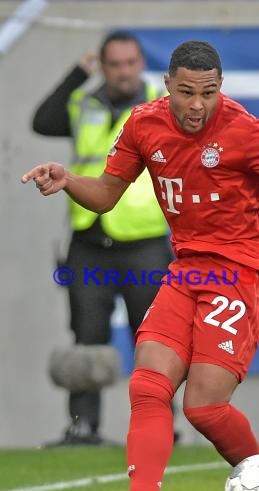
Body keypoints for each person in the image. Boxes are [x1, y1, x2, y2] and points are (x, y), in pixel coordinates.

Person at [22, 40, 259, 491]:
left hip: (246, 271)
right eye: (186, 92)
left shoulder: (243, 129)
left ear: (220, 88)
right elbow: (105, 195)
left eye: (208, 92)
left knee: (204, 407)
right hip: (187, 269)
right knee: (147, 385)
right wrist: (68, 179)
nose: (197, 105)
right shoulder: (145, 123)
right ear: (168, 86)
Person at [31, 30, 174, 445]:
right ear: (103, 65)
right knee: (86, 335)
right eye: (115, 64)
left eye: (131, 63)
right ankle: (83, 427)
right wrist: (78, 73)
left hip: (144, 241)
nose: (124, 72)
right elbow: (42, 120)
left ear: (141, 63)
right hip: (88, 242)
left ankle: (160, 426)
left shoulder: (162, 105)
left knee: (152, 339)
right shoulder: (83, 102)